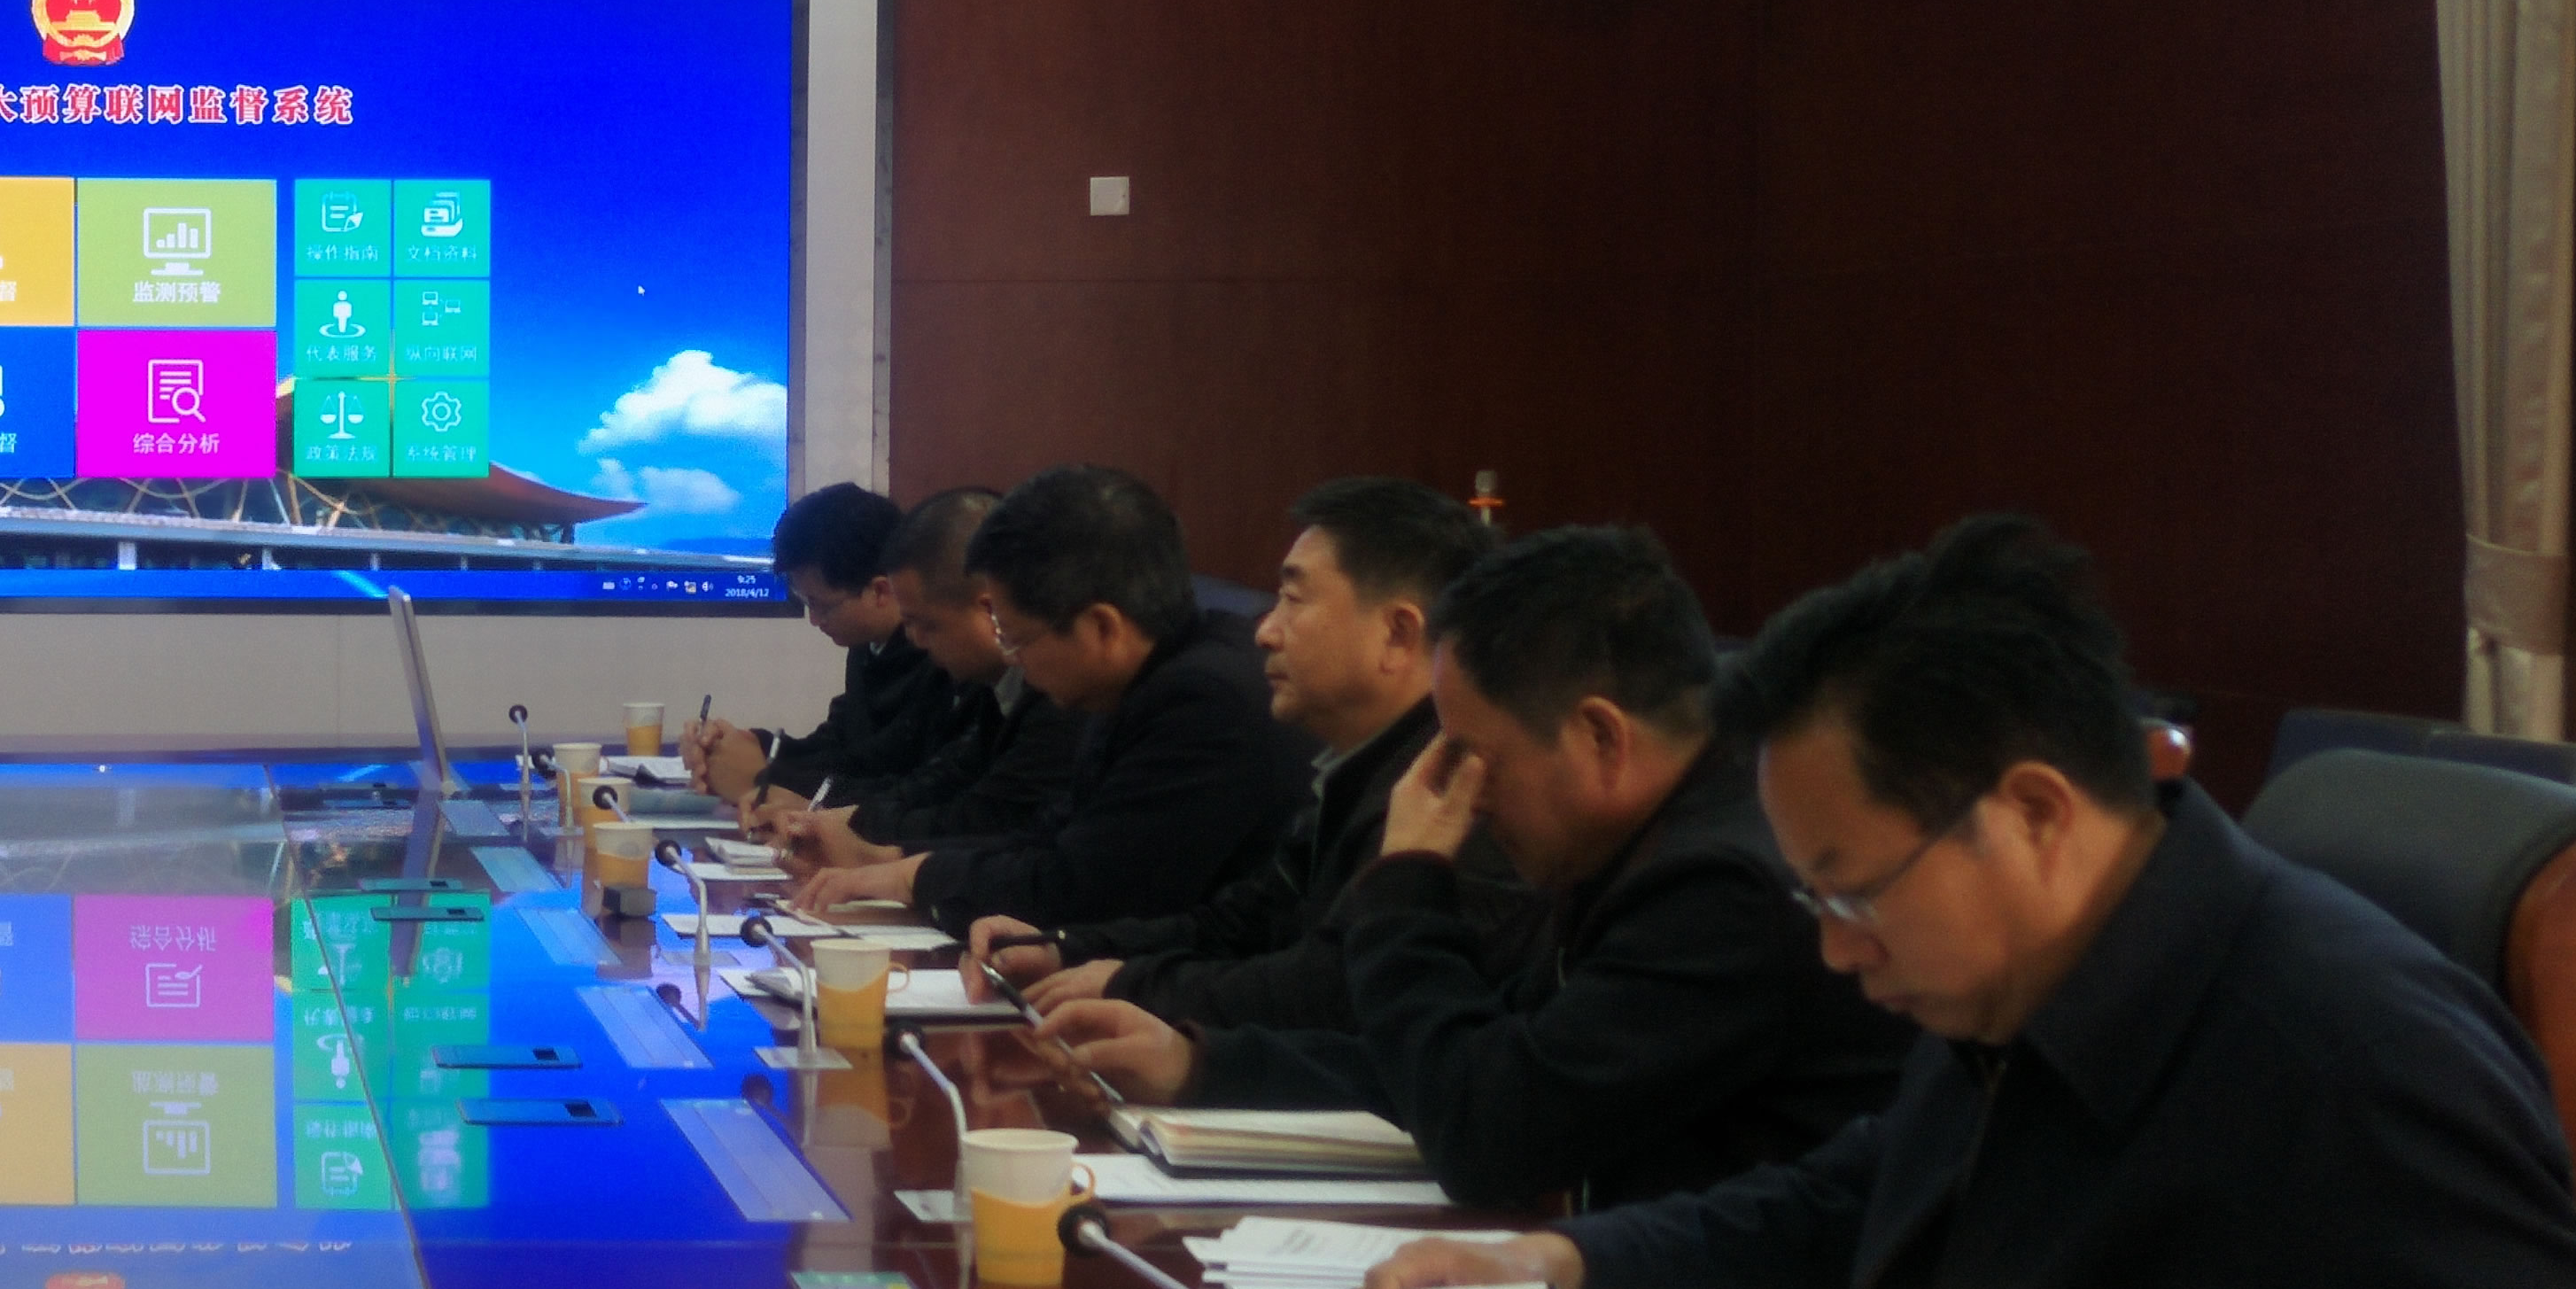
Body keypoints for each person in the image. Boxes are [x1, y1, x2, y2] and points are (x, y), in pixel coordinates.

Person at [1355, 517, 2576, 1289]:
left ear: (2033, 813)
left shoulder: (2352, 1042)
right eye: (1814, 899)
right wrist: (1571, 1260)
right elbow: (1866, 1190)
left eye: (1856, 893)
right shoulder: (2035, 969)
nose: (1835, 949)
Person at [1042, 523, 1903, 1208]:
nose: (1461, 792)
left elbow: (1490, 1132)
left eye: (1472, 755)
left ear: (1600, 737)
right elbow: (1483, 1058)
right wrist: (1199, 1064)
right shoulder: (1636, 835)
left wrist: (1407, 879)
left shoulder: (1717, 889)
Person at [985, 474, 1491, 1022]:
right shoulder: (1361, 770)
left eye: (1293, 600)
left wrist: (1136, 989)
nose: (1265, 632)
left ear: (1397, 634)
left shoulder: (1449, 798)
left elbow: (1333, 988)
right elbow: (1240, 926)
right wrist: (1065, 949)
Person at [797, 465, 1303, 929]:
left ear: (1102, 628)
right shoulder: (1132, 684)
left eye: (1017, 638)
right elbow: (1047, 839)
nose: (1014, 659)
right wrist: (892, 862)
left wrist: (913, 877)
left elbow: (1087, 888)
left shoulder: (1203, 703)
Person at [774, 488, 1065, 863]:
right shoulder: (994, 690)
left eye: (926, 624)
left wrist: (882, 857)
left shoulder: (1059, 697)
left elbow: (992, 818)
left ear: (991, 611)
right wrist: (834, 820)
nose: (915, 640)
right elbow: (944, 782)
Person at [694, 484, 946, 811]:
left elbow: (912, 788)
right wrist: (752, 746)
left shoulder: (942, 660)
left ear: (880, 592)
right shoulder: (868, 646)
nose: (814, 620)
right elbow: (839, 748)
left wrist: (764, 777)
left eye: (822, 605)